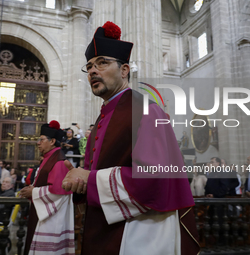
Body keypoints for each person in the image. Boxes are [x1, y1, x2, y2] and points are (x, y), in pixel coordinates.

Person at [62, 21, 199, 255]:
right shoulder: (101, 120)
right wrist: (76, 182)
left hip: (139, 234)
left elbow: (153, 178)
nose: (93, 70)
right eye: (89, 66)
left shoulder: (146, 110)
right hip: (102, 228)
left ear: (124, 70)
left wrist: (89, 179)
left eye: (102, 63)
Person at [20, 120, 74, 255]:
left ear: (52, 141)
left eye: (41, 139)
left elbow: (59, 192)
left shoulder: (59, 160)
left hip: (51, 219)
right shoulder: (49, 157)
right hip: (41, 212)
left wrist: (34, 191)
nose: (38, 143)